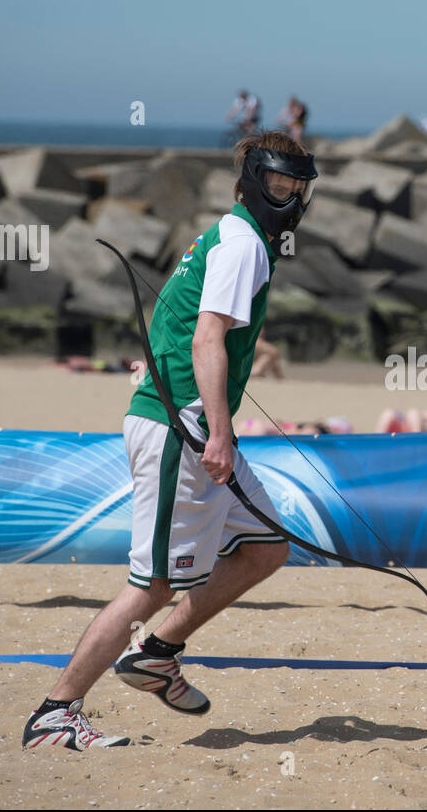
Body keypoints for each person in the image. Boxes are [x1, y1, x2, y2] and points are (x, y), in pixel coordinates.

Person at [22, 130, 318, 750]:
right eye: (280, 184)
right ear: (254, 182)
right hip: (180, 430)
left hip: (187, 423)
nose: (289, 196)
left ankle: (158, 652)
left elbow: (178, 321)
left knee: (267, 547)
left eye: (297, 186)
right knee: (154, 584)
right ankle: (57, 709)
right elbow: (206, 338)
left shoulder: (229, 237)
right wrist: (218, 433)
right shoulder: (244, 247)